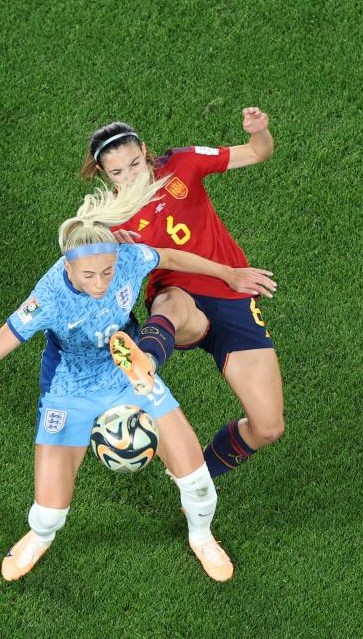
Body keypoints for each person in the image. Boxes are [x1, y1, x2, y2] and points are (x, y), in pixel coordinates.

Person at [0, 173, 246, 582]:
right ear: (68, 266)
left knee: (198, 483)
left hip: (129, 373)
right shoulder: (47, 299)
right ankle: (38, 538)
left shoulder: (126, 258)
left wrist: (228, 274)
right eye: (88, 275)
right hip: (69, 391)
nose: (100, 284)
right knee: (48, 514)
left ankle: (202, 538)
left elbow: (170, 257)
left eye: (107, 273)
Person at [80, 108, 283, 480]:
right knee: (172, 305)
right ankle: (145, 365)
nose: (130, 177)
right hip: (176, 294)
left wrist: (260, 131)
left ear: (145, 151)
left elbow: (258, 152)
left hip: (232, 293)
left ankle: (198, 480)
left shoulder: (182, 164)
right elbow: (98, 288)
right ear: (104, 174)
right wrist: (113, 249)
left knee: (268, 426)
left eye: (135, 164)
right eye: (118, 172)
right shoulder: (106, 220)